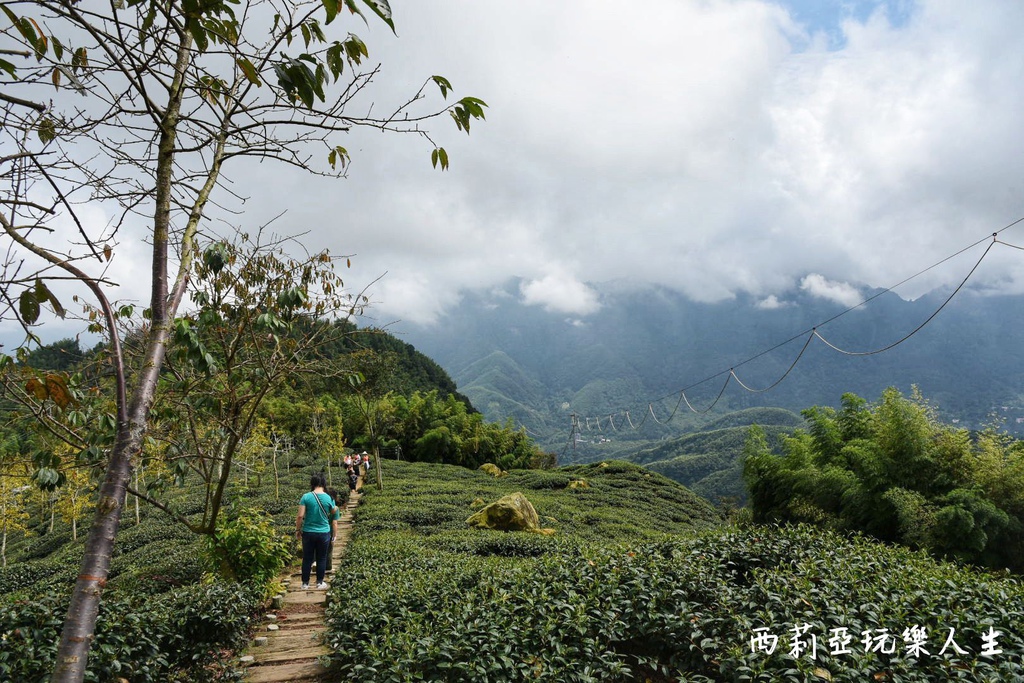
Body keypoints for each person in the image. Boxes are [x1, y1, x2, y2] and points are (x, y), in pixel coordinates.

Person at [295, 472, 338, 590]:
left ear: (312, 483)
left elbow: (300, 516)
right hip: (324, 532)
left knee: (307, 558)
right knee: (322, 558)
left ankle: (305, 583)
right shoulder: (329, 497)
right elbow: (334, 512)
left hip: (308, 532)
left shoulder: (306, 497)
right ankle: (319, 582)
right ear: (323, 483)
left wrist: (298, 530)